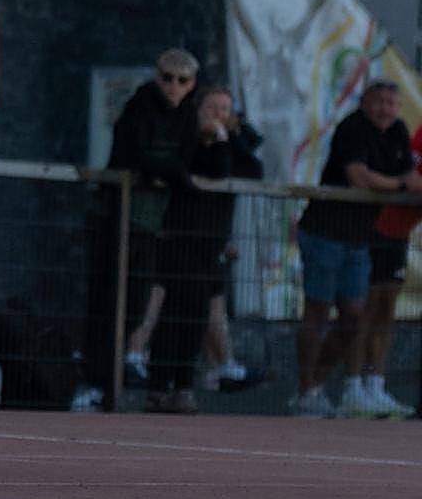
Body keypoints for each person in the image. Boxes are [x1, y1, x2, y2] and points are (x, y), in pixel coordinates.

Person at [293, 79, 422, 417]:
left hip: (358, 238)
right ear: (364, 102)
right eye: (378, 102)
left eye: (391, 103)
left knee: (354, 313)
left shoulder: (398, 131)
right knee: (318, 310)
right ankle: (306, 391)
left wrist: (402, 183)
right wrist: (398, 185)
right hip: (324, 233)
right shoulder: (352, 129)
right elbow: (359, 178)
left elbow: (412, 178)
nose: (385, 109)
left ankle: (317, 385)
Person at [80, 48, 199, 410]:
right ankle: (95, 382)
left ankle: (114, 377)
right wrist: (172, 173)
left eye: (182, 80)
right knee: (107, 301)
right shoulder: (139, 107)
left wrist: (171, 171)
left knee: (135, 306)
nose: (173, 86)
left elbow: (186, 159)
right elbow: (136, 156)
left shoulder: (188, 116)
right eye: (167, 78)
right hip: (120, 219)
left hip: (153, 225)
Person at [148, 86, 265, 413]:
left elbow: (251, 170)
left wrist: (229, 138)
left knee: (196, 316)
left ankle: (184, 385)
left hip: (210, 244)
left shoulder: (230, 145)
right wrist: (215, 140)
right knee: (172, 313)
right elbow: (210, 169)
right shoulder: (186, 140)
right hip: (179, 238)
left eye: (225, 109)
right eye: (212, 108)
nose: (218, 115)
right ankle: (159, 385)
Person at [355, 117, 422, 418]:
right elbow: (412, 179)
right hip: (377, 229)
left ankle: (376, 386)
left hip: (399, 235)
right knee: (366, 309)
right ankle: (354, 385)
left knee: (385, 311)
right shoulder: (416, 137)